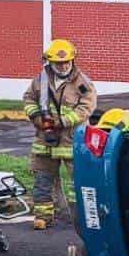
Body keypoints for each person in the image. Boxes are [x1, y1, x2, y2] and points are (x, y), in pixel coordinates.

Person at [21, 39, 97, 230]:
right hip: (45, 141)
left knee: (79, 183)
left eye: (66, 62)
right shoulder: (41, 80)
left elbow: (86, 108)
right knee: (42, 181)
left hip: (72, 141)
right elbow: (28, 98)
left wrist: (61, 122)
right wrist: (36, 116)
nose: (63, 66)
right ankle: (43, 217)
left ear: (73, 60)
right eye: (58, 62)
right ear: (49, 61)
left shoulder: (82, 83)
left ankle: (81, 220)